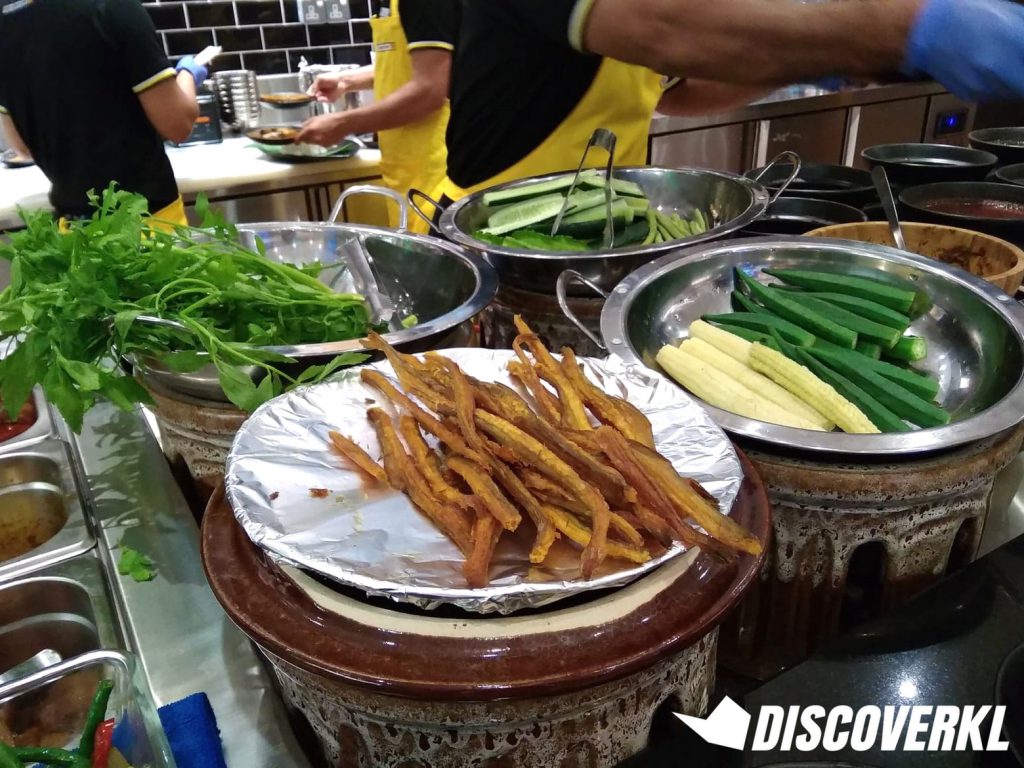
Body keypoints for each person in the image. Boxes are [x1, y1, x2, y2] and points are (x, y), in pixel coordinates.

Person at [431, 0, 1024, 209]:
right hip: (500, 237)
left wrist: (822, 61)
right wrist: (901, 29)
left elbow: (685, 92)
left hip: (603, 223)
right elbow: (665, 29)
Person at [0, 0, 205, 226]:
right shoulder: (111, 6)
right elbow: (177, 125)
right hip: (147, 228)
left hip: (74, 234)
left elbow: (21, 146)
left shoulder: (7, 19)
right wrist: (188, 74)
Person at [296, 0, 458, 231]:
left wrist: (342, 123)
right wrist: (346, 80)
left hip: (438, 166)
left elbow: (429, 91)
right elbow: (415, 63)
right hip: (405, 165)